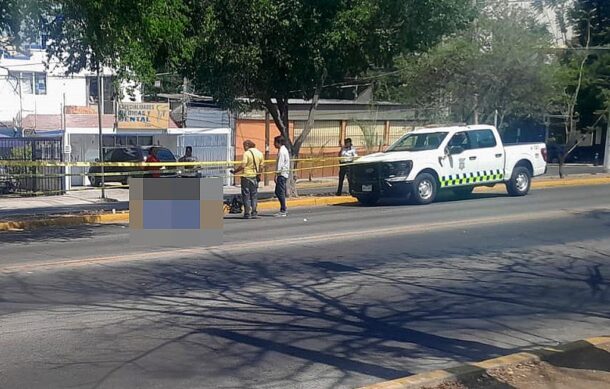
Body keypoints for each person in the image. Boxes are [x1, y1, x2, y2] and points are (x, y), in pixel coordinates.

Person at [231, 140, 264, 219]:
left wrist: (235, 171)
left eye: (243, 146)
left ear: (247, 145)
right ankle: (254, 212)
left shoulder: (246, 153)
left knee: (246, 195)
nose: (243, 148)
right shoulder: (260, 153)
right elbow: (261, 166)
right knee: (254, 195)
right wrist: (258, 175)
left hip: (246, 176)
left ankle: (247, 213)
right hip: (255, 177)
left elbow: (243, 165)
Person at [274, 136, 290, 217]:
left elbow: (280, 165)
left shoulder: (282, 151)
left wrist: (276, 175)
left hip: (282, 174)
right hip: (283, 173)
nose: (274, 144)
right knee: (278, 192)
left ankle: (283, 209)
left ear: (278, 142)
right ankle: (283, 208)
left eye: (275, 142)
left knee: (280, 192)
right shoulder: (283, 150)